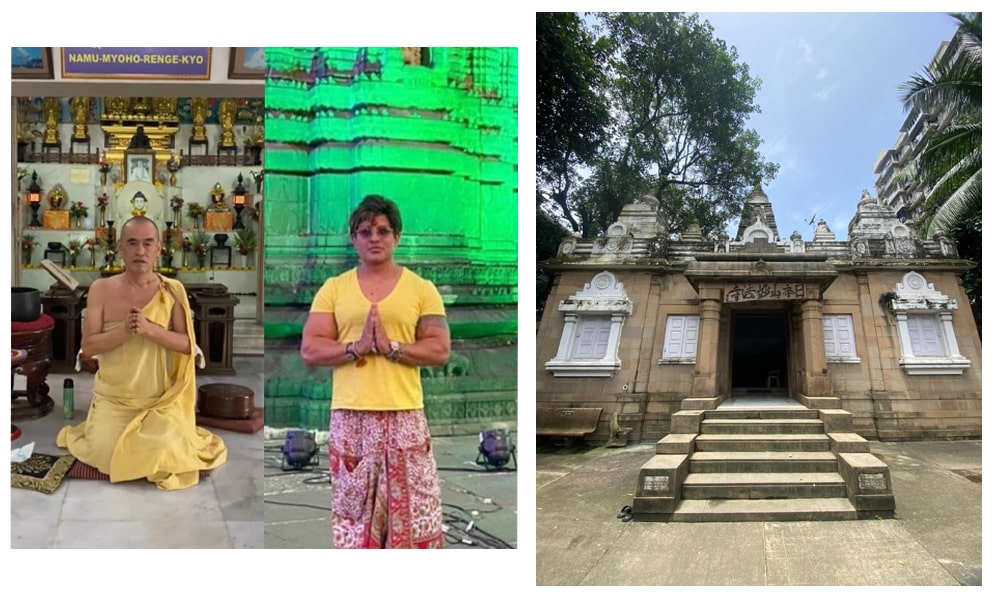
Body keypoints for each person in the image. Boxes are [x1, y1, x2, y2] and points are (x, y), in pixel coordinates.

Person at [300, 195, 451, 548]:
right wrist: (354, 348)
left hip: (405, 416)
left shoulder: (421, 289)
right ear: (354, 238)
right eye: (365, 231)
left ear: (396, 237)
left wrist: (394, 348)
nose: (374, 238)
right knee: (354, 520)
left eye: (383, 230)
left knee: (415, 517)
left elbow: (440, 349)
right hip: (351, 416)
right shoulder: (333, 289)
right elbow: (310, 348)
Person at [57, 216, 227, 490]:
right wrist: (124, 331)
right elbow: (88, 347)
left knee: (167, 448)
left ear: (159, 249)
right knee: (107, 453)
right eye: (132, 243)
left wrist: (149, 329)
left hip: (160, 401)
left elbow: (187, 345)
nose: (140, 251)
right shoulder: (101, 290)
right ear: (120, 249)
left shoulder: (172, 291)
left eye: (148, 244)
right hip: (115, 401)